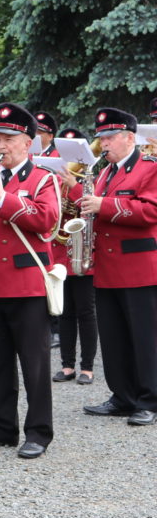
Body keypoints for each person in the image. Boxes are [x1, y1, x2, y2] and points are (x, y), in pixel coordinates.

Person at [0, 102, 60, 459]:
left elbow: (45, 220)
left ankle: (38, 432)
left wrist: (3, 196)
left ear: (27, 143)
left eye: (8, 139)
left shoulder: (43, 179)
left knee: (34, 363)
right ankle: (1, 426)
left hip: (25, 282)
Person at [82, 107, 157, 426]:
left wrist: (104, 205)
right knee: (113, 338)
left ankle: (150, 400)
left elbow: (151, 211)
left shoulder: (149, 168)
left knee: (145, 337)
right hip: (108, 267)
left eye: (110, 137)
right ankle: (122, 396)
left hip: (140, 266)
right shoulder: (104, 173)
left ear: (130, 137)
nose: (104, 144)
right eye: (101, 138)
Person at [51, 127, 97, 385]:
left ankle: (87, 367)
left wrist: (75, 187)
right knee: (64, 311)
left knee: (86, 312)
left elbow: (94, 208)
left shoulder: (91, 175)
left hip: (84, 252)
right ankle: (67, 365)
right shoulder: (56, 177)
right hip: (60, 251)